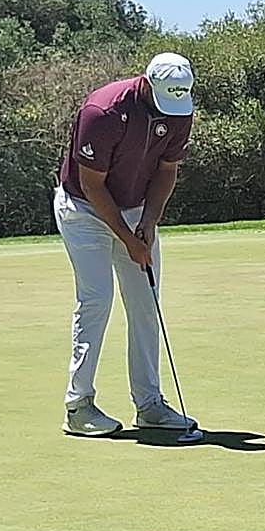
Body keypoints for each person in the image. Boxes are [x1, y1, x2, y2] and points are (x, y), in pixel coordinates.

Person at [53, 52, 198, 437]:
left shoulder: (179, 109)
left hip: (136, 209)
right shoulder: (103, 111)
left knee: (145, 302)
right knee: (97, 298)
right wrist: (127, 238)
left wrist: (149, 221)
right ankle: (78, 406)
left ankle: (149, 405)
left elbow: (167, 171)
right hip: (84, 210)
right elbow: (91, 185)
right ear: (146, 83)